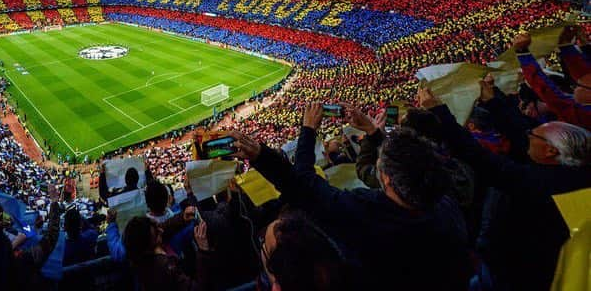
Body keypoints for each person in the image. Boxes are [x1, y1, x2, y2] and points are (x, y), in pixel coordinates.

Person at [232, 102, 472, 291]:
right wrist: (371, 130)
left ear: (386, 179)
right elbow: (408, 160)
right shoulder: (446, 204)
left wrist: (306, 131)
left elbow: (303, 186)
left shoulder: (367, 216)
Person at [419, 83, 591, 290]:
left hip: (524, 277)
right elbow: (519, 130)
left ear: (550, 151)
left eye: (533, 135)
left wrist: (438, 111)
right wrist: (492, 101)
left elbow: (478, 156)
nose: (526, 136)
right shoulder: (575, 174)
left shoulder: (534, 183)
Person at [513, 30, 591, 129]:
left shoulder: (584, 116)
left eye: (580, 86)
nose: (575, 87)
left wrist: (522, 54)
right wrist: (566, 47)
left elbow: (553, 97)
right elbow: (583, 74)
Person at [122, 206, 211, 290]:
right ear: (149, 248)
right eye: (157, 233)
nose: (161, 231)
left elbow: (162, 228)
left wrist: (182, 218)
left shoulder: (139, 253)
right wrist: (203, 251)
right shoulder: (164, 268)